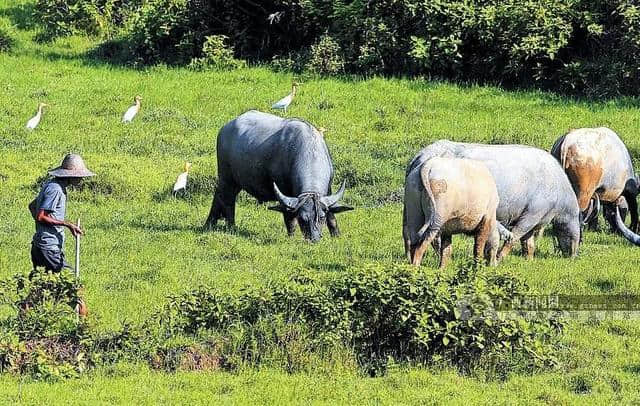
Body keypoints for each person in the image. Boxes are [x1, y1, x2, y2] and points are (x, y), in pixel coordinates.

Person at [29, 154, 95, 272]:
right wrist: (67, 224)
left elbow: (32, 206)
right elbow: (41, 216)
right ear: (69, 176)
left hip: (41, 245)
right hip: (48, 247)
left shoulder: (51, 185)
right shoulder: (56, 189)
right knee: (69, 279)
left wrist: (41, 229)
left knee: (44, 284)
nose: (81, 178)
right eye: (78, 175)